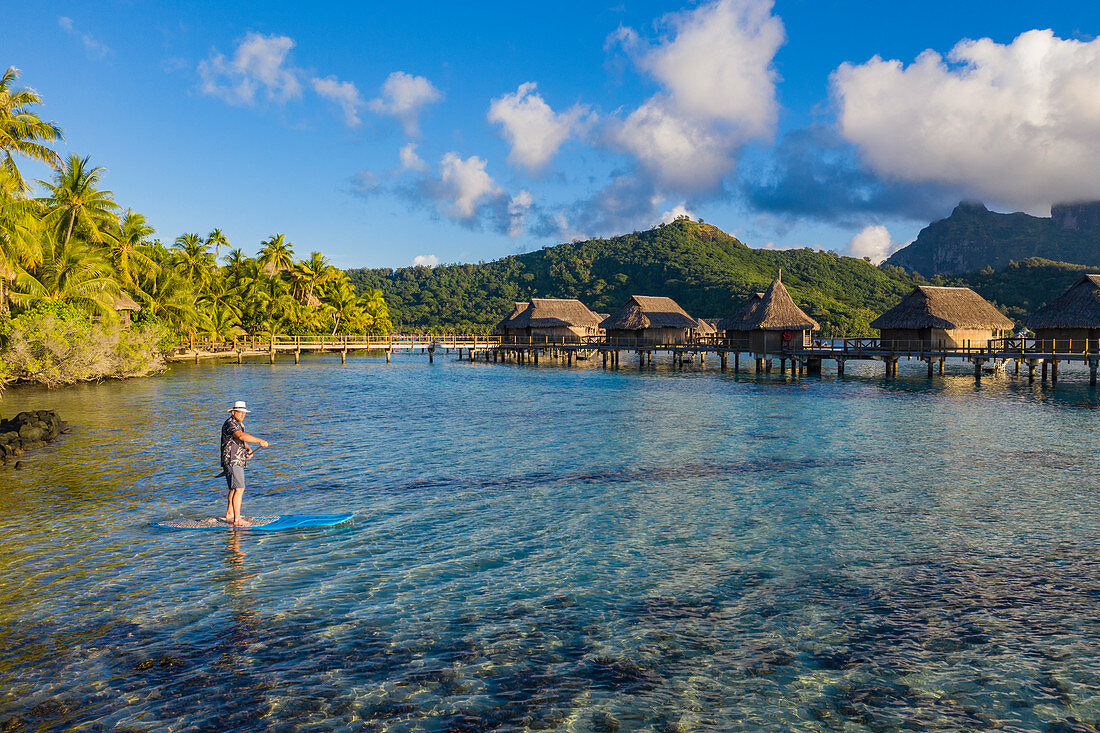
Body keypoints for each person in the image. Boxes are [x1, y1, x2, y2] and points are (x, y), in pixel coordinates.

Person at [220, 400, 269, 526]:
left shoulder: (238, 424)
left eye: (244, 413)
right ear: (233, 412)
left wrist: (247, 448)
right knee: (239, 488)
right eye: (239, 412)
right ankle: (237, 520)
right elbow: (240, 436)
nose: (242, 415)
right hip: (232, 460)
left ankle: (230, 514)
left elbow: (239, 439)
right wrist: (259, 441)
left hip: (236, 459)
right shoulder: (230, 423)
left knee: (233, 488)